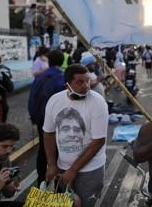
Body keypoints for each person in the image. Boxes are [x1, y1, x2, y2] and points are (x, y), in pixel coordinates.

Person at [43, 64, 108, 207]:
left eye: (87, 80)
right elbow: (48, 133)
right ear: (67, 85)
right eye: (80, 82)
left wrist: (73, 170)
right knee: (62, 204)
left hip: (90, 170)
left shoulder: (97, 102)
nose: (86, 86)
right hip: (62, 167)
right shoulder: (54, 100)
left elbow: (98, 141)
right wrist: (52, 164)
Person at [28, 49, 65, 184]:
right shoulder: (63, 78)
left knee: (43, 149)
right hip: (57, 121)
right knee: (59, 151)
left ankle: (41, 180)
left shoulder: (39, 78)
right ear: (62, 62)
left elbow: (32, 98)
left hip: (40, 119)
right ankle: (58, 183)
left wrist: (33, 116)